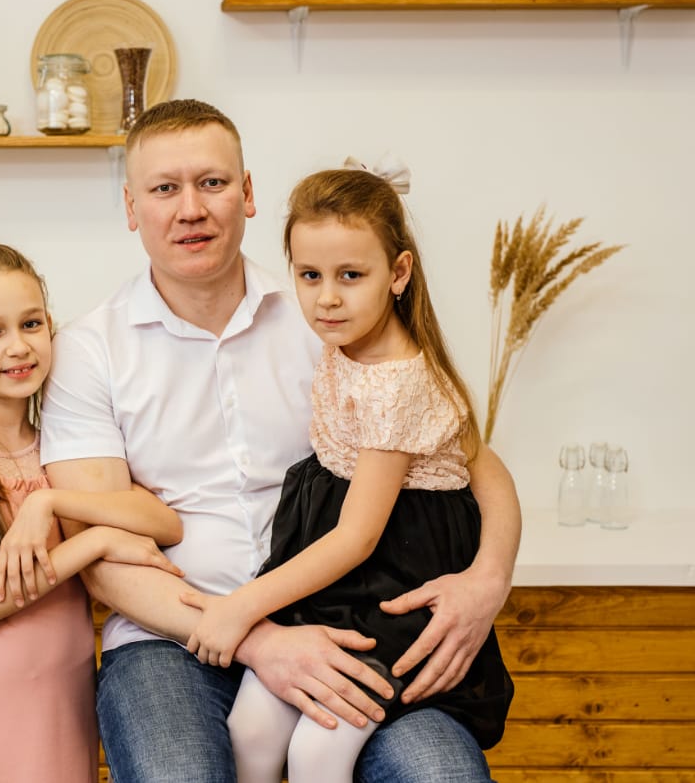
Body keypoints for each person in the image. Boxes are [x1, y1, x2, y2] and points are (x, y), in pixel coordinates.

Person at [41, 99, 522, 783]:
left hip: (350, 625)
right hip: (170, 640)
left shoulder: (327, 317)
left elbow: (474, 462)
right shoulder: (90, 350)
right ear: (131, 206)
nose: (190, 209)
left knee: (440, 776)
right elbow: (102, 556)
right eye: (165, 188)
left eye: (212, 183)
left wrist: (488, 579)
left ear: (248, 192)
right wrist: (260, 639)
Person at [179, 164, 515, 782]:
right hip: (331, 575)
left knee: (320, 747)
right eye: (310, 275)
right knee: (250, 728)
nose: (327, 297)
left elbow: (359, 536)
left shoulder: (396, 382)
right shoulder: (344, 341)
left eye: (350, 276)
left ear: (399, 274)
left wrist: (240, 607)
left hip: (387, 582)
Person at [0, 241, 184, 783]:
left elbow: (165, 522)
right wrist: (95, 541)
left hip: (61, 701)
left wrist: (52, 501)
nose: (18, 346)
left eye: (31, 324)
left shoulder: (65, 443)